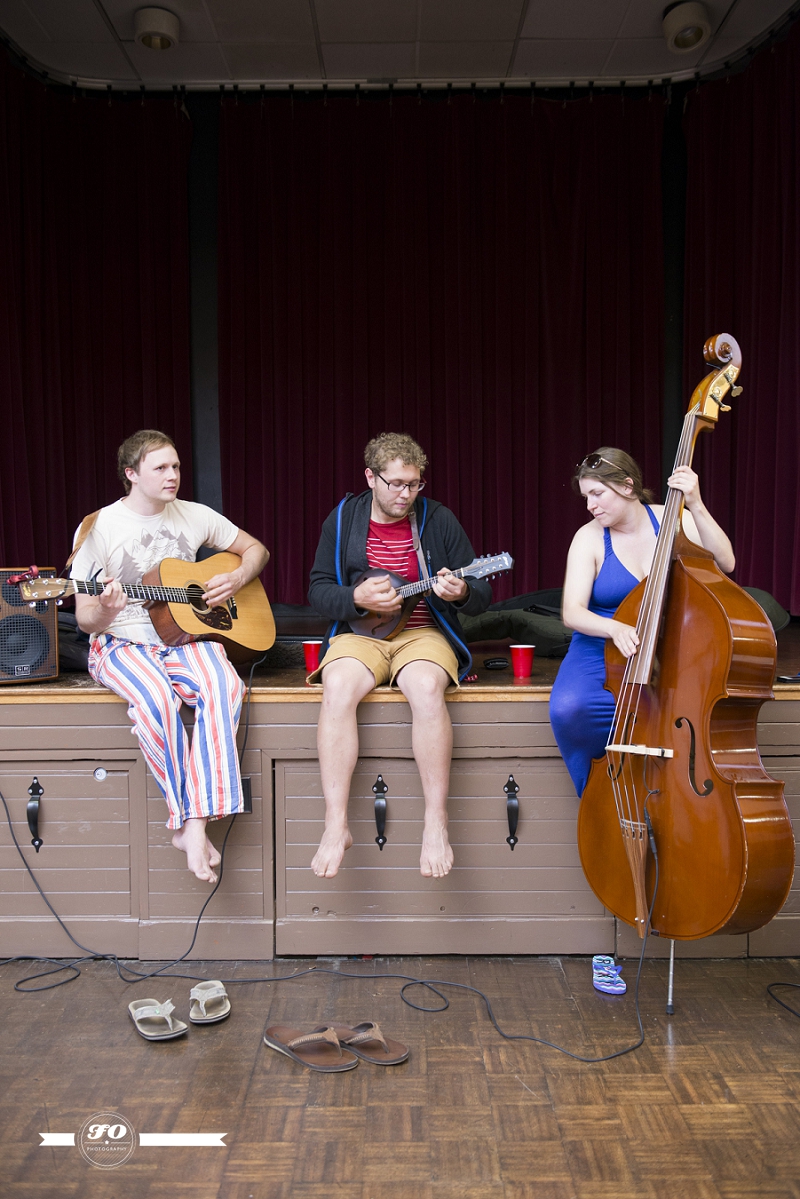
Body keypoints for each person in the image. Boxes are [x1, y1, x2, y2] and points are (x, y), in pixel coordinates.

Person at [70, 430, 269, 884]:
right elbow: (84, 619)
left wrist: (237, 576)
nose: (173, 475)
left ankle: (194, 823)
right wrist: (105, 608)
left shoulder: (194, 515)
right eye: (160, 468)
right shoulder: (97, 527)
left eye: (176, 466)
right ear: (131, 474)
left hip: (183, 637)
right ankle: (187, 822)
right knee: (157, 699)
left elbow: (256, 549)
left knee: (225, 685)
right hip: (121, 642)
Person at [307, 432, 492, 880]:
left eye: (414, 485)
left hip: (423, 632)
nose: (405, 494)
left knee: (427, 689)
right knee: (336, 687)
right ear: (370, 477)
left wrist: (463, 590)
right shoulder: (344, 519)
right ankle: (336, 825)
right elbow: (317, 591)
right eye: (395, 484)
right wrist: (355, 597)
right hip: (362, 635)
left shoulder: (438, 519)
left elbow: (482, 594)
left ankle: (435, 822)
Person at [549, 448, 735, 797]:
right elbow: (572, 613)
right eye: (586, 496)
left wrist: (695, 503)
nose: (590, 505)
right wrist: (615, 629)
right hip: (600, 643)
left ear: (627, 487)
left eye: (597, 493)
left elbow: (725, 562)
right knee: (569, 709)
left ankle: (668, 800)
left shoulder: (670, 520)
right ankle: (600, 799)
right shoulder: (588, 537)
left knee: (674, 709)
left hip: (666, 643)